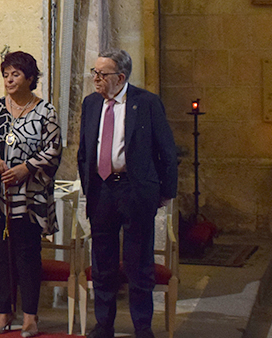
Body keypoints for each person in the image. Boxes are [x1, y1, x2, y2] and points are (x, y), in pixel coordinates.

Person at [77, 50, 178, 338]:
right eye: (94, 72)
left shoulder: (146, 103)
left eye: (102, 74)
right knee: (103, 261)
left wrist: (166, 192)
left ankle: (142, 327)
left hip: (134, 189)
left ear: (120, 77)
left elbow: (166, 151)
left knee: (138, 262)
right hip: (101, 190)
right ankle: (104, 325)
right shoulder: (91, 103)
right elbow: (85, 149)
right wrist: (88, 185)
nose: (95, 79)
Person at [0, 51, 61, 338]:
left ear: (30, 78)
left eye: (16, 74)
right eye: (6, 74)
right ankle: (3, 311)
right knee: (0, 253)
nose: (9, 80)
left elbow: (54, 149)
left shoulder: (45, 110)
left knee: (27, 254)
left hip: (29, 196)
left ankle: (30, 316)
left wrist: (26, 168)